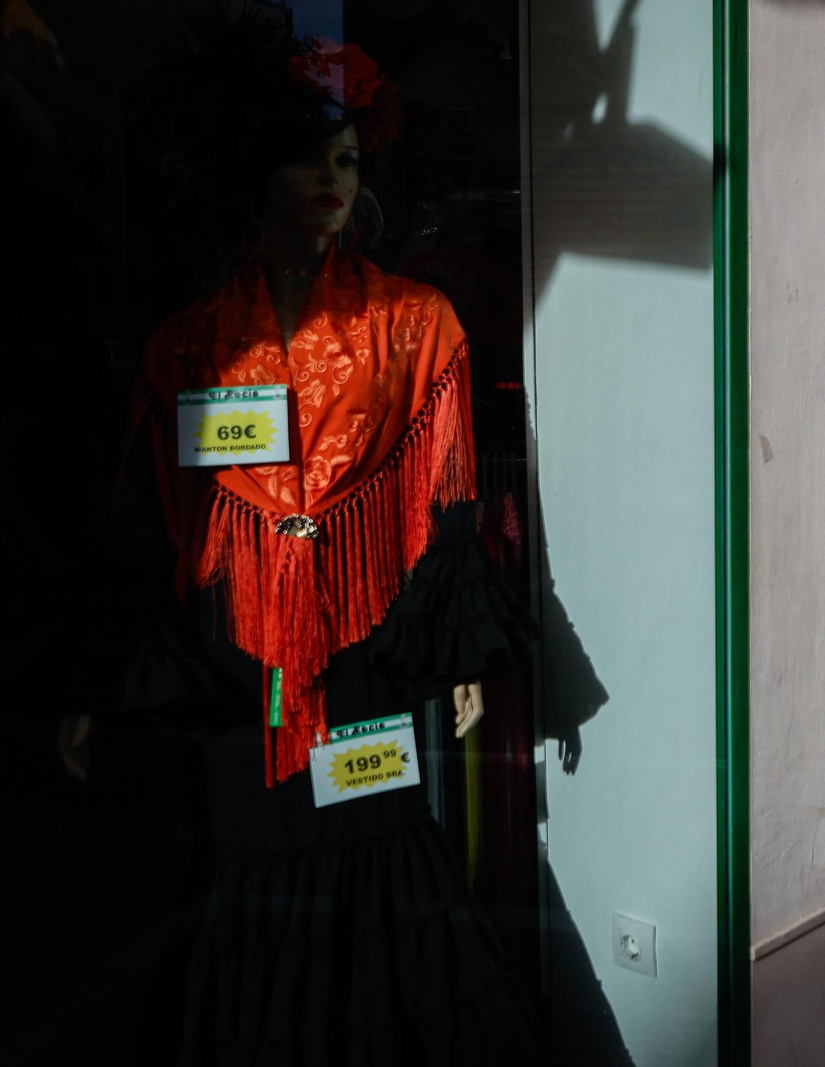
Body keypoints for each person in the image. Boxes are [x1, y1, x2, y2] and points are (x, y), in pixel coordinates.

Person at [118, 30, 540, 1062]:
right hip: (238, 659)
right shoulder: (187, 343)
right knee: (257, 876)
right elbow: (155, 517)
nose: (332, 179)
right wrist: (109, 674)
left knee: (381, 852)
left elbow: (446, 493)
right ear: (253, 173)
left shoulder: (415, 324)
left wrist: (458, 655)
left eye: (347, 158)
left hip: (367, 647)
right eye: (308, 156)